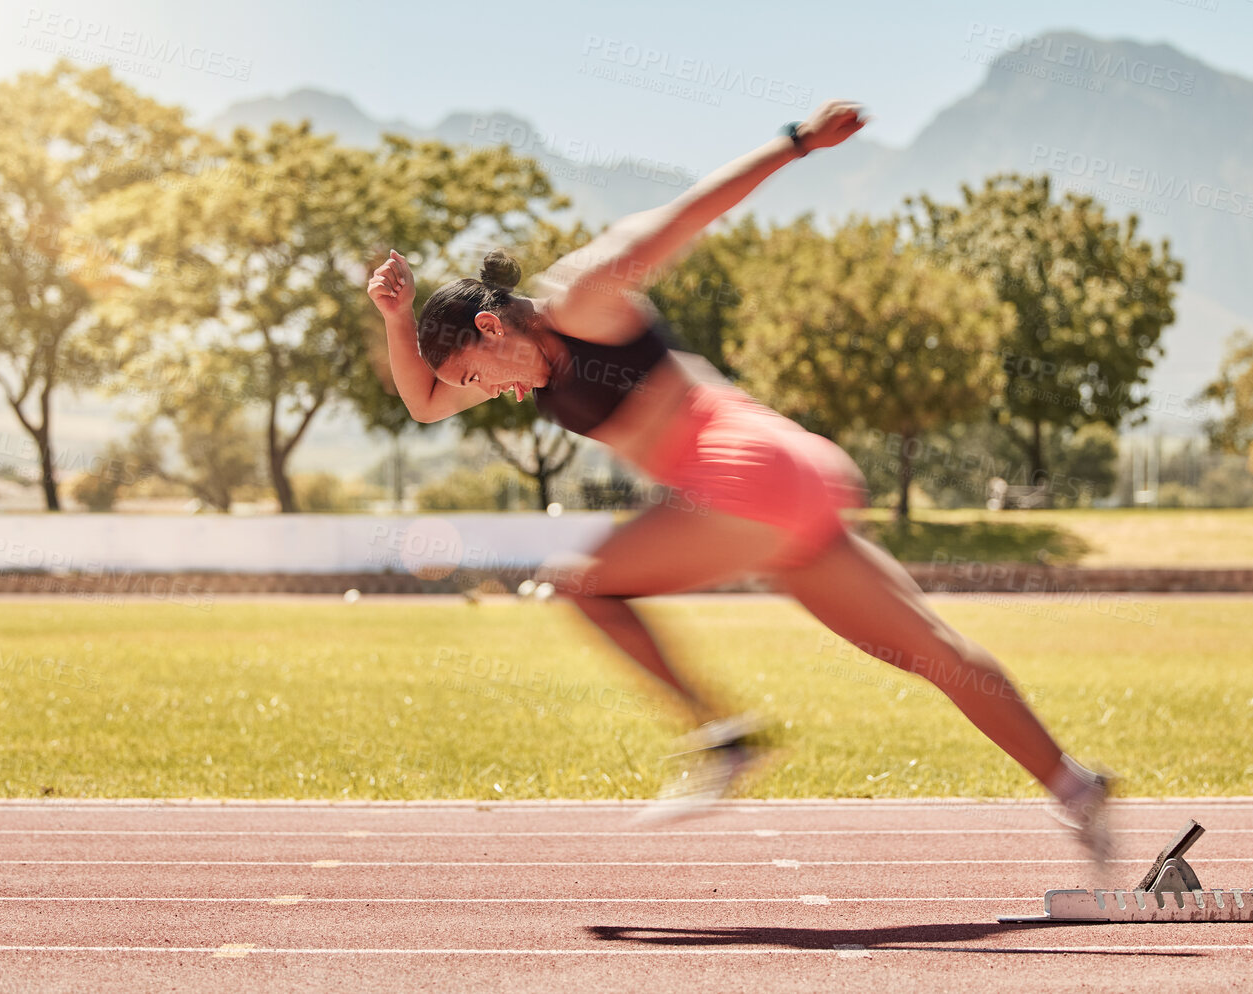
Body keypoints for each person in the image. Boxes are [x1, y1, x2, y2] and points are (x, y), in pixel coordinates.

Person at [365, 100, 1113, 859]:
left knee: (580, 583)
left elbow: (690, 214)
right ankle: (1074, 786)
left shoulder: (580, 297)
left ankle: (719, 740)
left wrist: (797, 142)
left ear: (490, 328)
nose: (496, 393)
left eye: (477, 376)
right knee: (931, 649)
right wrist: (398, 319)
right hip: (786, 476)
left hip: (738, 469)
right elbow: (426, 404)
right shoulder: (525, 360)